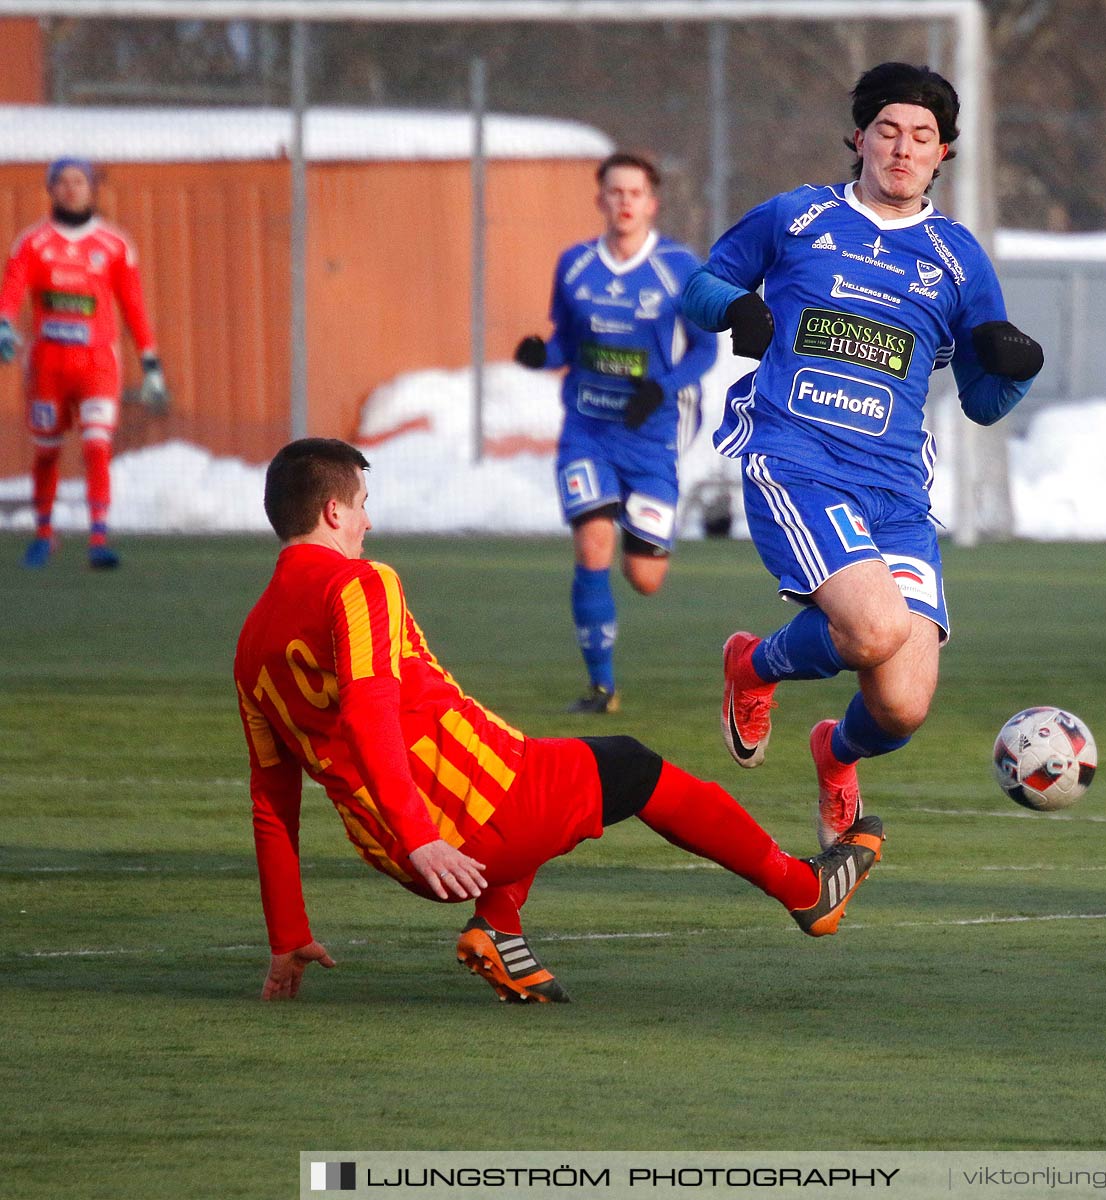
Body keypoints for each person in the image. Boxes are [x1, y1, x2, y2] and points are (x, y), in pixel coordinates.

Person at [235, 438, 883, 1003]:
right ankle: (806, 892)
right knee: (634, 768)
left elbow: (272, 802)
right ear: (333, 511)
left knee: (552, 765)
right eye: (363, 504)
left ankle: (499, 931)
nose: (368, 522)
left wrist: (288, 935)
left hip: (397, 851)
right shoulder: (356, 584)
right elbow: (369, 714)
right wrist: (421, 835)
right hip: (462, 820)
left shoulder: (251, 645)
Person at [680, 62, 1044, 850]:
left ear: (944, 152)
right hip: (795, 458)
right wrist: (738, 305)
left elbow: (983, 400)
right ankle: (755, 667)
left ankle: (834, 752)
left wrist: (1016, 369)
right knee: (875, 629)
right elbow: (700, 285)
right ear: (860, 137)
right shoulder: (799, 217)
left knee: (902, 703)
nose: (902, 148)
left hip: (897, 495)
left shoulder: (957, 259)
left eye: (922, 136)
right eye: (888, 130)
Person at [514, 152, 718, 714]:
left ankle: (642, 527)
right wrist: (542, 354)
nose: (625, 202)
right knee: (592, 543)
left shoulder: (680, 268)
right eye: (615, 192)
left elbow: (705, 349)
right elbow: (565, 343)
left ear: (652, 204)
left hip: (652, 434)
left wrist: (664, 384)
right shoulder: (575, 265)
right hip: (589, 428)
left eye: (636, 193)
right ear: (600, 199)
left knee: (645, 577)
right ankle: (601, 688)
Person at [1, 157, 168, 570]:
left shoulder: (114, 245)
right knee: (46, 452)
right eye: (63, 181)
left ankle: (98, 538)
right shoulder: (33, 243)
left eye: (79, 181)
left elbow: (133, 306)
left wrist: (150, 362)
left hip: (97, 366)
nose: (72, 188)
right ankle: (44, 534)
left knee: (96, 447)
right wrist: (3, 323)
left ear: (92, 188)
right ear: (51, 189)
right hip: (47, 368)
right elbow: (12, 289)